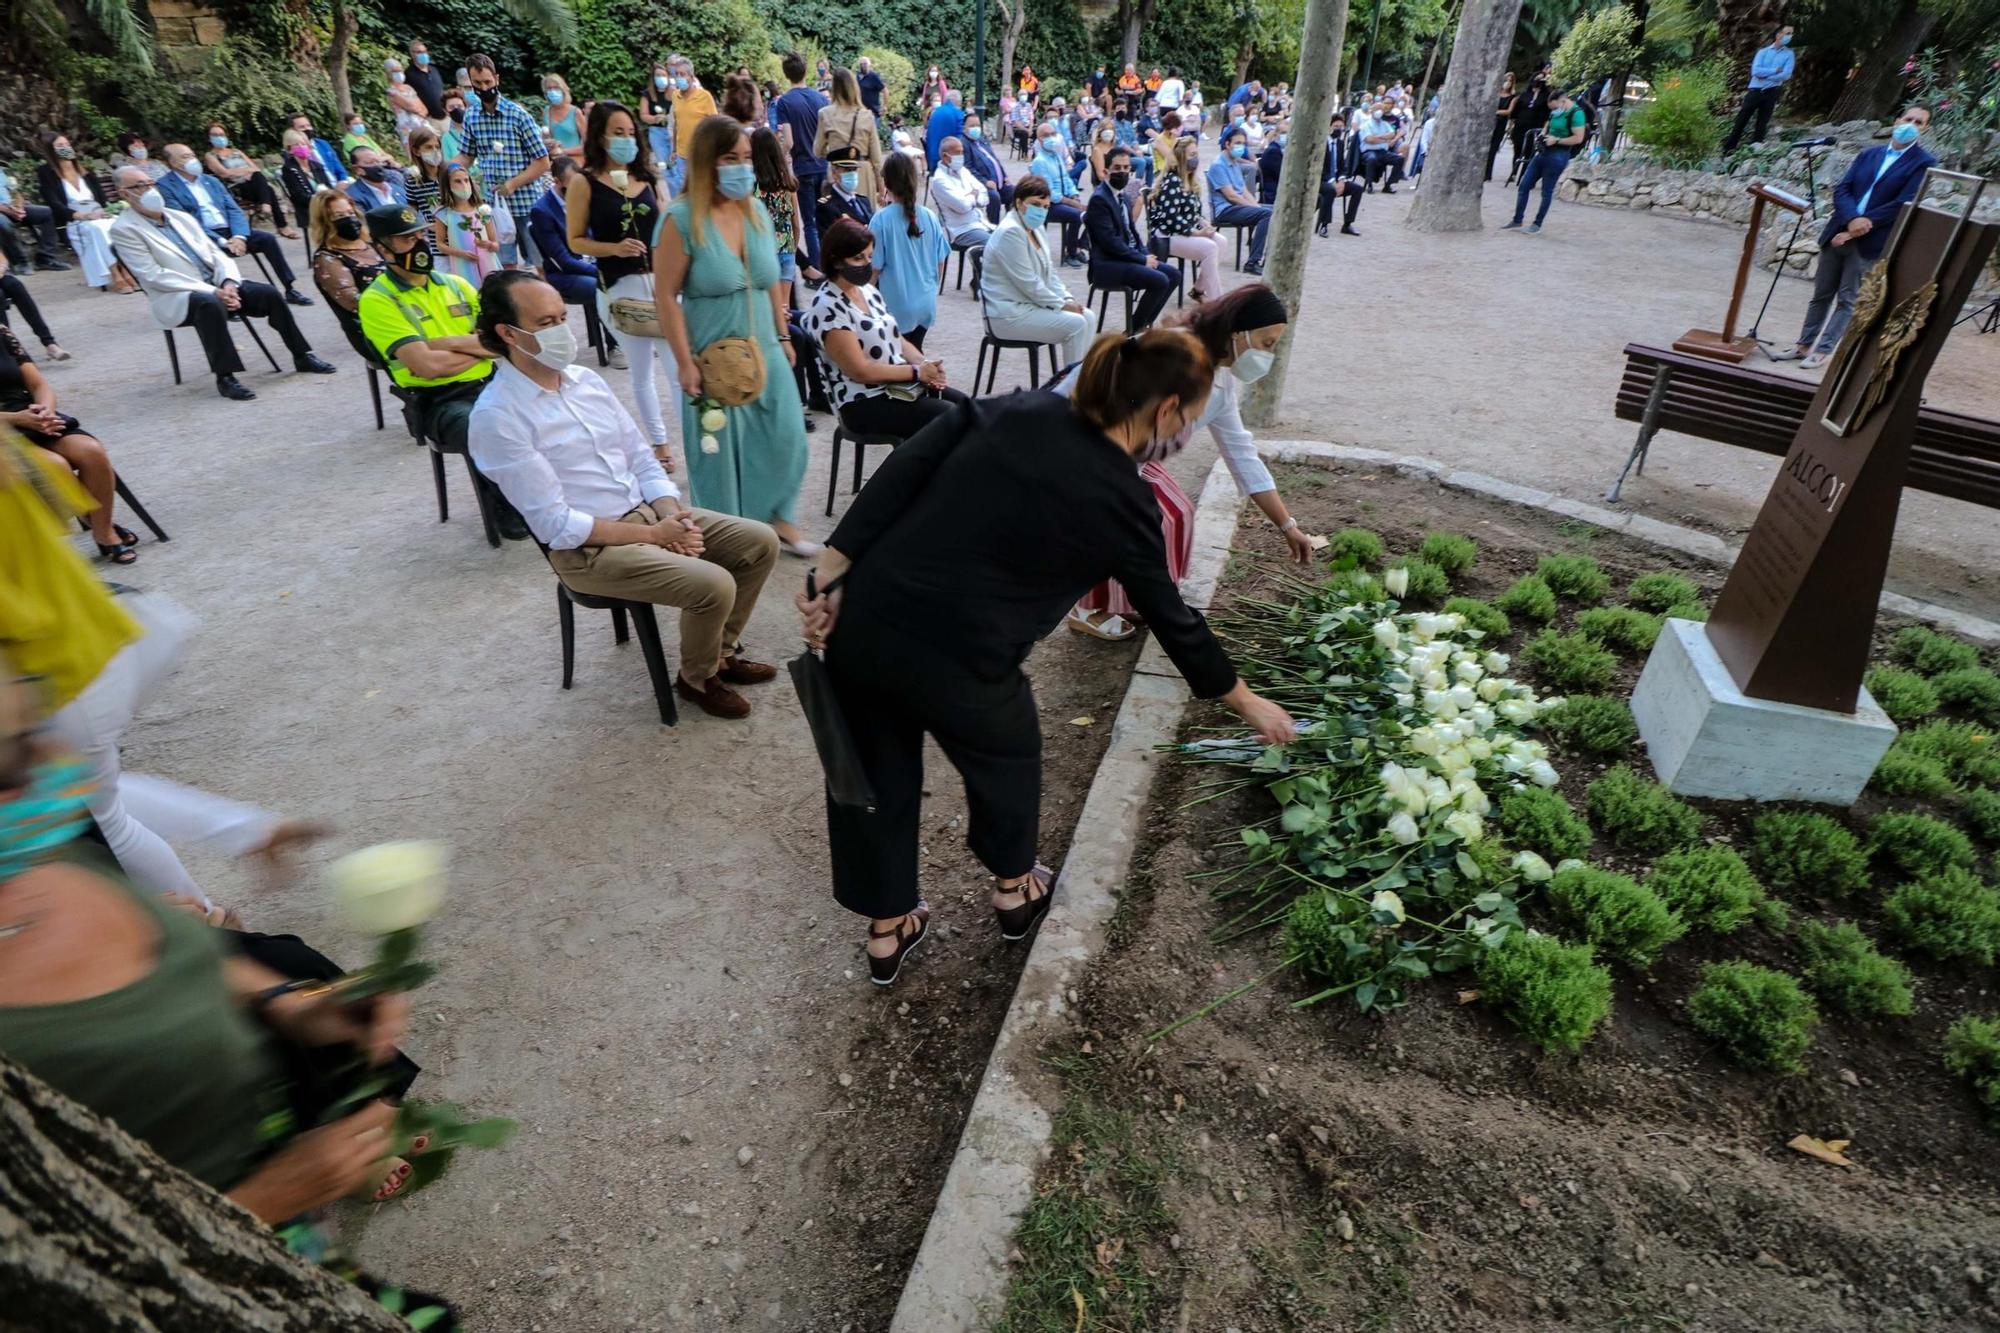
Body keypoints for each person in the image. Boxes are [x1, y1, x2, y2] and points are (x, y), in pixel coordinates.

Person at [796, 330, 1296, 983]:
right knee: (1008, 754)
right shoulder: (1126, 501)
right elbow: (1176, 622)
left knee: (873, 771)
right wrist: (1246, 698)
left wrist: (826, 574)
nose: (1190, 429)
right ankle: (1013, 889)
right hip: (966, 659)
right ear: (1168, 411)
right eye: (1195, 415)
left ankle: (887, 928)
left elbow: (907, 466)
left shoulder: (1022, 408)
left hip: (867, 620)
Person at [457, 271, 777, 721]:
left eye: (561, 318)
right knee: (713, 584)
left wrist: (673, 518)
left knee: (759, 541)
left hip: (648, 514)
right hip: (588, 551)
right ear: (508, 334)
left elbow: (643, 461)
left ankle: (719, 653)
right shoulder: (498, 417)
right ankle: (696, 679)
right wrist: (660, 535)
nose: (561, 331)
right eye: (545, 323)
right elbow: (557, 526)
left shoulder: (585, 380)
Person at [1056, 286, 1312, 642]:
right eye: (1267, 344)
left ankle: (1133, 596)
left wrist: (1287, 525)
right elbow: (1113, 426)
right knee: (1133, 522)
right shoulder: (1172, 355)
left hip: (1132, 457)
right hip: (1084, 448)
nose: (1268, 357)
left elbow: (1241, 452)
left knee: (1176, 514)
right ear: (1238, 333)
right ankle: (1087, 608)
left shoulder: (1219, 379)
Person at [653, 115, 813, 556]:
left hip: (765, 344)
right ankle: (728, 538)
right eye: (731, 158)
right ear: (708, 162)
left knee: (787, 438)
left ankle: (779, 519)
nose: (742, 167)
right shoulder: (680, 219)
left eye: (746, 158)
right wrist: (685, 362)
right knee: (718, 452)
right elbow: (665, 296)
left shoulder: (757, 210)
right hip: (711, 353)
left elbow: (767, 283)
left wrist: (783, 337)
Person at [108, 167, 335, 401]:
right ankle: (226, 377)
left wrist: (228, 283)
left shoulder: (181, 217)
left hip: (218, 284)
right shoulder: (124, 229)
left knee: (268, 293)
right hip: (178, 295)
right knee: (208, 304)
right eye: (139, 186)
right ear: (124, 194)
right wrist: (214, 291)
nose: (149, 189)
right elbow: (153, 274)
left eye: (150, 183)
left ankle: (302, 355)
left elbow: (216, 255)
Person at [1775, 106, 1937, 370]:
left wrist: (1859, 227)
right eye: (1908, 119)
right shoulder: (1869, 154)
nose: (1911, 124)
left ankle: (1824, 350)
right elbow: (1843, 188)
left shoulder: (1924, 162)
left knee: (1848, 299)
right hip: (1838, 231)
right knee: (1821, 294)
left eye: (1919, 122)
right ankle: (1803, 345)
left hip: (1868, 241)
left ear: (1925, 128)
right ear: (1897, 121)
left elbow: (1904, 202)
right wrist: (1851, 219)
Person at [565, 100, 679, 462]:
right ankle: (659, 443)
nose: (627, 140)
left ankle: (695, 440)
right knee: (642, 371)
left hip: (660, 283)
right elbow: (575, 240)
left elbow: (665, 227)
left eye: (631, 132)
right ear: (600, 136)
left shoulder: (645, 178)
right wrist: (614, 248)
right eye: (618, 133)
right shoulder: (584, 183)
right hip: (620, 288)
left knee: (678, 368)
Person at [804, 217, 969, 441]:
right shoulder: (827, 307)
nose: (866, 264)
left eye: (869, 256)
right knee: (949, 418)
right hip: (863, 402)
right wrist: (916, 372)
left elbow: (896, 338)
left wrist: (926, 365)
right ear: (835, 260)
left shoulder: (866, 291)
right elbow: (859, 371)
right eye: (858, 258)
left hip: (898, 386)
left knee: (969, 408)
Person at [1, 327, 129, 558]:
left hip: (33, 415)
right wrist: (17, 419)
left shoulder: (1, 332)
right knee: (55, 465)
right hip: (4, 429)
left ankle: (102, 531)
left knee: (92, 451)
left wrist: (46, 411)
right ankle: (101, 526)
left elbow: (39, 384)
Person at [157, 143, 312, 306]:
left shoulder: (211, 181)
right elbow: (185, 221)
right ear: (173, 163)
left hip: (232, 231)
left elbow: (233, 209)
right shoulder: (165, 186)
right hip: (203, 237)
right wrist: (222, 241)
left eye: (192, 155)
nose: (192, 159)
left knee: (267, 240)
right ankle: (226, 300)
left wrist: (239, 236)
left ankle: (289, 288)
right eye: (185, 157)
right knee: (208, 256)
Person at [979, 175, 1093, 370]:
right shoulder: (1010, 232)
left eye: (1046, 206)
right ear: (1019, 202)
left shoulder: (1035, 227)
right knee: (1076, 325)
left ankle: (1083, 382)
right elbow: (1029, 283)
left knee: (1088, 316)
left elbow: (1050, 273)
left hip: (1029, 304)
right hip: (1008, 314)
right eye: (1035, 204)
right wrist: (1061, 305)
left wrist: (1067, 299)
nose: (1041, 210)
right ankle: (1070, 389)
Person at [462, 52, 553, 268]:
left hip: (526, 201)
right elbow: (466, 155)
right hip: (493, 205)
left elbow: (542, 161)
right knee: (504, 264)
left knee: (541, 263)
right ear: (470, 83)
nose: (484, 88)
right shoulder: (471, 116)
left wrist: (512, 184)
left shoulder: (518, 115)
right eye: (477, 83)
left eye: (487, 82)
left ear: (497, 79)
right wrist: (445, 170)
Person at [866, 154, 951, 350]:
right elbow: (941, 261)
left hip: (897, 306)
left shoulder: (880, 220)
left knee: (898, 359)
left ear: (886, 182)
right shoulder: (930, 216)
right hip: (926, 303)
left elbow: (875, 269)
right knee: (916, 353)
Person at [1085, 147, 1174, 333]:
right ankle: (1133, 330)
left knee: (1173, 275)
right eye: (1117, 167)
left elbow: (1133, 233)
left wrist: (1145, 254)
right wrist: (1141, 260)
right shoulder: (1099, 199)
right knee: (1159, 280)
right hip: (1108, 265)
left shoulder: (1123, 196)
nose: (1123, 172)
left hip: (1126, 258)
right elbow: (1110, 243)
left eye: (1126, 168)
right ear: (1105, 171)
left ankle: (1145, 323)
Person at [37, 134, 132, 293]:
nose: (66, 148)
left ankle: (126, 269)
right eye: (60, 146)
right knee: (97, 229)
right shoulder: (46, 172)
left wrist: (105, 211)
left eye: (67, 144)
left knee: (115, 224)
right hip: (75, 218)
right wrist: (83, 216)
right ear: (51, 150)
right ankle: (117, 273)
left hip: (97, 213)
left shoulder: (84, 170)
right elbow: (54, 204)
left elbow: (101, 198)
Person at [308, 189, 385, 361]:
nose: (349, 219)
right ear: (325, 222)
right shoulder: (327, 259)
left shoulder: (371, 243)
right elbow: (355, 303)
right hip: (374, 329)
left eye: (350, 213)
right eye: (339, 216)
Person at [1146, 137, 1223, 304]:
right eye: (1191, 155)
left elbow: (1194, 213)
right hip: (1168, 236)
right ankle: (1218, 302)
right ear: (1181, 157)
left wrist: (1204, 225)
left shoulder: (1191, 180)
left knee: (1221, 241)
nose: (1195, 158)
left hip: (1186, 232)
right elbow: (1170, 219)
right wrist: (1197, 233)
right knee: (1210, 247)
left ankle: (1198, 290)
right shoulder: (1173, 181)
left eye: (1196, 154)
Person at [773, 52, 832, 271]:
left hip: (804, 171)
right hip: (823, 169)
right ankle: (830, 264)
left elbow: (787, 140)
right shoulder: (821, 99)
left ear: (786, 75)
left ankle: (816, 270)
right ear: (806, 71)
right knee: (825, 215)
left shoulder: (785, 102)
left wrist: (778, 155)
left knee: (810, 223)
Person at [1503, 86, 1587, 234]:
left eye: (1555, 108)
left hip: (1559, 154)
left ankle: (1537, 224)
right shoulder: (1555, 112)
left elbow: (1578, 138)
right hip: (1543, 152)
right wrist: (1543, 135)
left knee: (1546, 191)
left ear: (1562, 101)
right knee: (1524, 185)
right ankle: (1517, 219)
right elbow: (1547, 124)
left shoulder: (1576, 114)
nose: (1554, 111)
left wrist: (1557, 140)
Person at [528, 154, 599, 308]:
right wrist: (600, 271)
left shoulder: (584, 195)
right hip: (565, 273)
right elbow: (564, 261)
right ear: (557, 182)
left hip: (592, 261)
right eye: (572, 185)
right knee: (601, 285)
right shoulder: (542, 211)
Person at [750, 127, 806, 311]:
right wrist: (790, 248)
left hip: (763, 254)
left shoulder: (753, 187)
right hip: (787, 252)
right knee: (784, 309)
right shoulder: (788, 183)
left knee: (768, 309)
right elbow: (796, 224)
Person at [813, 67, 884, 207]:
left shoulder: (825, 114)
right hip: (862, 171)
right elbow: (876, 158)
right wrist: (881, 188)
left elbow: (817, 150)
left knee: (839, 223)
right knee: (864, 221)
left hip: (837, 172)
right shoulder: (866, 115)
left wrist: (835, 152)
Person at [1205, 124, 1271, 275]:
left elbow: (1244, 191)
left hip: (1238, 207)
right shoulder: (1218, 165)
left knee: (1276, 210)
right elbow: (1231, 196)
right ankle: (1252, 262)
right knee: (1266, 214)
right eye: (1237, 143)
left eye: (1243, 143)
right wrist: (1256, 209)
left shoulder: (1234, 162)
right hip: (1225, 210)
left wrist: (1256, 206)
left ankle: (1269, 258)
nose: (1241, 147)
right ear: (1227, 144)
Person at [1722, 25, 1796, 154]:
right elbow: (1755, 71)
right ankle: (1729, 149)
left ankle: (1755, 150)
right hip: (1755, 91)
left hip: (1772, 92)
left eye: (1791, 34)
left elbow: (1786, 75)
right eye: (1788, 33)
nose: (1790, 36)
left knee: (1762, 123)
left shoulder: (1789, 54)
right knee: (1741, 120)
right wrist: (1774, 71)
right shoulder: (1763, 52)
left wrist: (1766, 75)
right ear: (1779, 35)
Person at [431, 162, 499, 287]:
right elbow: (440, 244)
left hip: (488, 264)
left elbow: (495, 244)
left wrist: (489, 245)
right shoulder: (443, 214)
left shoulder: (482, 210)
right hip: (463, 266)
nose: (464, 185)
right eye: (458, 181)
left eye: (466, 180)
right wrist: (460, 253)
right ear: (447, 185)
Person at [1030, 124, 1088, 267]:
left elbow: (1066, 180)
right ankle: (1071, 253)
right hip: (1049, 205)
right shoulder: (1039, 162)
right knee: (1077, 215)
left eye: (1053, 134)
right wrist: (1073, 203)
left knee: (1094, 211)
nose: (1051, 138)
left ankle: (1080, 245)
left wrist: (1074, 194)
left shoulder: (1056, 156)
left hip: (1063, 200)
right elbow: (1049, 193)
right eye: (1046, 135)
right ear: (1039, 138)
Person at [665, 53, 719, 196]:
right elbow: (677, 123)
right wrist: (674, 150)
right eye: (676, 74)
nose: (679, 78)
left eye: (682, 74)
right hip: (682, 155)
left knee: (703, 190)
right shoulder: (675, 96)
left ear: (691, 76)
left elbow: (715, 126)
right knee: (685, 191)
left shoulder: (704, 96)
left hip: (701, 153)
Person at [0, 162, 69, 273]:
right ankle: (20, 263)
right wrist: (8, 210)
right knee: (2, 222)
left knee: (47, 212)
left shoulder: (2, 171)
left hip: (11, 207)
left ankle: (44, 258)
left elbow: (15, 191)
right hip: (3, 212)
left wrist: (19, 206)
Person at [930, 136, 994, 252]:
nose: (961, 156)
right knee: (994, 244)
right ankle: (982, 270)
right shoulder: (940, 180)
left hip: (981, 223)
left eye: (962, 152)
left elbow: (984, 195)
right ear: (945, 156)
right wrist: (974, 195)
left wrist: (969, 197)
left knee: (1007, 237)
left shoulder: (963, 171)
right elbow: (962, 206)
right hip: (962, 230)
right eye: (957, 153)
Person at [1316, 112, 1366, 237]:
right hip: (1321, 180)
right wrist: (1332, 181)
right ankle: (1324, 224)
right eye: (1336, 126)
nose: (1339, 129)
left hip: (1337, 180)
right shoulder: (1320, 144)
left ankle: (1347, 224)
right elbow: (1318, 167)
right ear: (1329, 127)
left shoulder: (1339, 143)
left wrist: (1342, 180)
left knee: (1358, 189)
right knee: (1330, 191)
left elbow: (1342, 166)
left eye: (1341, 127)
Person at [958, 116, 1012, 223]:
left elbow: (994, 159)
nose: (976, 128)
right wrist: (985, 182)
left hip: (999, 183)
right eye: (972, 126)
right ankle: (993, 226)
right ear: (964, 127)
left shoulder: (982, 140)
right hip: (981, 185)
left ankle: (1010, 224)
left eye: (978, 125)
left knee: (1015, 192)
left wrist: (1004, 176)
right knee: (993, 197)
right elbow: (968, 168)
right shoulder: (963, 144)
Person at [278, 130, 334, 233]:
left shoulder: (317, 166)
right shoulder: (289, 169)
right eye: (296, 145)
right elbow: (298, 196)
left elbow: (329, 186)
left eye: (303, 144)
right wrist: (319, 200)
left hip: (326, 202)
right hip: (308, 208)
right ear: (290, 150)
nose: (301, 147)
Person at [816, 144, 876, 238]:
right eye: (847, 170)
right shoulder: (827, 208)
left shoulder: (864, 201)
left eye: (854, 169)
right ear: (834, 173)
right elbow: (831, 245)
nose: (852, 174)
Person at [1507, 66, 1552, 185]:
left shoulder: (1546, 97)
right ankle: (1514, 172)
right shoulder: (1524, 95)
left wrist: (1544, 129)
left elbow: (1548, 114)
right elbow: (1515, 112)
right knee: (1517, 149)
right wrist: (1511, 125)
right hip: (1520, 125)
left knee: (1529, 151)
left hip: (1535, 126)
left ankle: (1523, 177)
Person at [384, 57, 435, 147]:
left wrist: (419, 110)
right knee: (414, 150)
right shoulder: (391, 91)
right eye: (395, 71)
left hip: (421, 122)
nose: (399, 73)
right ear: (389, 73)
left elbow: (423, 108)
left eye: (400, 70)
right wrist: (417, 109)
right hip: (406, 127)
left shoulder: (408, 87)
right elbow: (411, 106)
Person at [288, 112, 349, 184]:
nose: (307, 129)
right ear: (293, 131)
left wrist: (343, 181)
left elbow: (338, 167)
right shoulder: (295, 151)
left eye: (308, 125)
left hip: (338, 184)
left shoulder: (322, 144)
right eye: (302, 127)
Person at [639, 63, 678, 174]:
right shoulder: (647, 94)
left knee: (675, 163)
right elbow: (643, 115)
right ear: (653, 78)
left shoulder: (675, 93)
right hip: (656, 132)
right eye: (658, 75)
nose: (661, 78)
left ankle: (678, 188)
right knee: (664, 164)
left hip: (673, 131)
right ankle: (669, 188)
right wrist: (654, 118)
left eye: (663, 75)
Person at [345, 146, 410, 212]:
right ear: (357, 170)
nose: (377, 165)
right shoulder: (353, 196)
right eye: (370, 162)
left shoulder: (397, 188)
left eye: (378, 161)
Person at [1358, 101, 1404, 191]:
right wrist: (1385, 139)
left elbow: (1392, 134)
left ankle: (1388, 184)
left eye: (1381, 109)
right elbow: (1369, 140)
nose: (1379, 111)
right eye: (1377, 109)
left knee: (1399, 159)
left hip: (1383, 152)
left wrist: (1377, 137)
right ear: (1371, 111)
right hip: (1369, 151)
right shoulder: (1366, 124)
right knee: (1371, 159)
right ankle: (1369, 184)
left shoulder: (1385, 124)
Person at [405, 126, 448, 222]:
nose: (435, 151)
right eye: (428, 147)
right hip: (434, 235)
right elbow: (412, 208)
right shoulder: (413, 181)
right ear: (416, 151)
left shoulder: (450, 174)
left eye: (437, 147)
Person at [543, 73, 585, 161]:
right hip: (555, 162)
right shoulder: (546, 111)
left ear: (563, 89)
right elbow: (546, 138)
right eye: (549, 88)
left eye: (556, 87)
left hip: (575, 162)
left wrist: (563, 151)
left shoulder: (575, 112)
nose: (552, 91)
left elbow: (588, 145)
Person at [406, 39, 449, 120]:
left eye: (425, 51)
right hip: (426, 119)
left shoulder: (434, 70)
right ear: (412, 54)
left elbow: (441, 90)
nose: (423, 54)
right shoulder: (409, 74)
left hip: (444, 117)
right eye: (419, 52)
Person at [925, 89, 965, 171]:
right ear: (957, 101)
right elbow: (961, 137)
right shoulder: (957, 113)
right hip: (949, 160)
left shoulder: (935, 112)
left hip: (933, 156)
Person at [1488, 73, 1518, 182]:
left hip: (1500, 123)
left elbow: (1509, 111)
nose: (1507, 83)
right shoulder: (1495, 93)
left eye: (1510, 81)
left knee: (1493, 148)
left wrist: (1496, 112)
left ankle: (1488, 173)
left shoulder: (1512, 97)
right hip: (1489, 122)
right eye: (1506, 80)